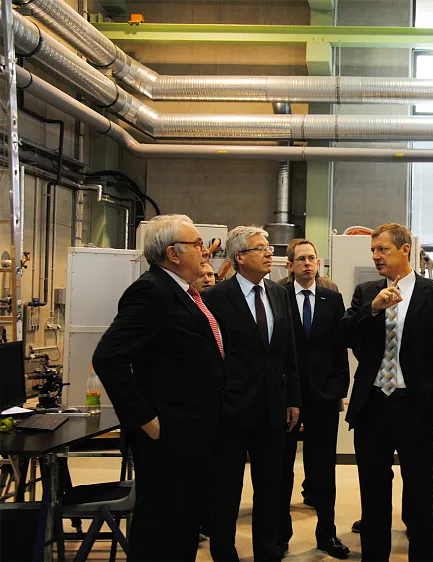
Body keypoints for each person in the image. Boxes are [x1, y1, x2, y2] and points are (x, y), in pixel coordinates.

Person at [92, 214, 225, 561]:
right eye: (197, 244)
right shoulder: (151, 291)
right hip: (167, 434)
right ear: (174, 254)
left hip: (193, 431)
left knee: (184, 523)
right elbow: (109, 357)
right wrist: (143, 418)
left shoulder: (184, 292)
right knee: (161, 527)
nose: (206, 251)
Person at [337, 223, 433, 562]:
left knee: (418, 497)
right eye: (373, 251)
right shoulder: (366, 291)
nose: (376, 256)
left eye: (383, 250)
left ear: (405, 250)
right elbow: (343, 335)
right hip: (372, 406)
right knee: (373, 496)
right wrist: (372, 309)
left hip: (415, 408)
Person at [202, 226, 301, 562]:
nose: (269, 253)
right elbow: (210, 358)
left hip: (272, 409)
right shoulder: (216, 297)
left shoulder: (278, 293)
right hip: (230, 409)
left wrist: (293, 399)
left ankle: (267, 551)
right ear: (240, 257)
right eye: (261, 248)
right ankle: (223, 552)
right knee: (226, 490)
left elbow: (288, 353)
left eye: (269, 248)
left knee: (270, 488)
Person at [278, 239, 351, 559]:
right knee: (282, 469)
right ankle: (280, 535)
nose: (308, 264)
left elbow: (340, 347)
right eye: (301, 259)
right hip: (287, 397)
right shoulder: (277, 295)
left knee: (323, 469)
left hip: (323, 395)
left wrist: (338, 388)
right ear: (290, 265)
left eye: (312, 258)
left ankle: (327, 534)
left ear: (318, 263)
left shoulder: (332, 298)